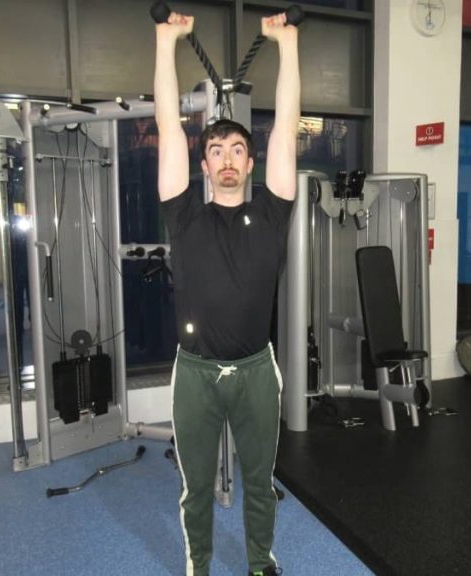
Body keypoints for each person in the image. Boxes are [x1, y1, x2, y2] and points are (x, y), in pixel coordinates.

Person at [154, 9, 300, 576]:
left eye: (237, 149)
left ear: (250, 162)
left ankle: (261, 561)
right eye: (216, 151)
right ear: (205, 165)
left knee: (260, 483)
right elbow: (169, 126)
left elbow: (285, 127)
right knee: (194, 489)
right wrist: (166, 41)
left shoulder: (270, 213)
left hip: (257, 373)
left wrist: (287, 45)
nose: (228, 158)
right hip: (194, 374)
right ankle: (200, 564)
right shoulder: (186, 215)